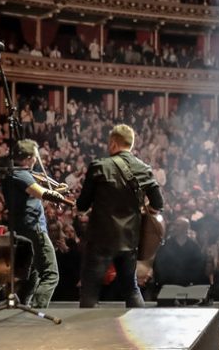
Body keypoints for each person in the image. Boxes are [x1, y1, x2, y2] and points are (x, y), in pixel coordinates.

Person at [76, 124, 163, 308]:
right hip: (129, 240)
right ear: (130, 145)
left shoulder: (99, 166)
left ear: (113, 143)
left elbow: (82, 205)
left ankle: (84, 334)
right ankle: (139, 330)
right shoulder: (144, 169)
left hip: (100, 241)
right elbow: (158, 204)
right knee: (131, 289)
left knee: (90, 289)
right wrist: (144, 209)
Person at [2, 139, 68, 308]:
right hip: (33, 227)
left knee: (35, 272)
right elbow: (41, 194)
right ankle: (39, 308)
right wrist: (58, 193)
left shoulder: (12, 173)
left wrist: (55, 189)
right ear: (30, 157)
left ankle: (24, 304)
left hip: (23, 227)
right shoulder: (21, 174)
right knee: (51, 273)